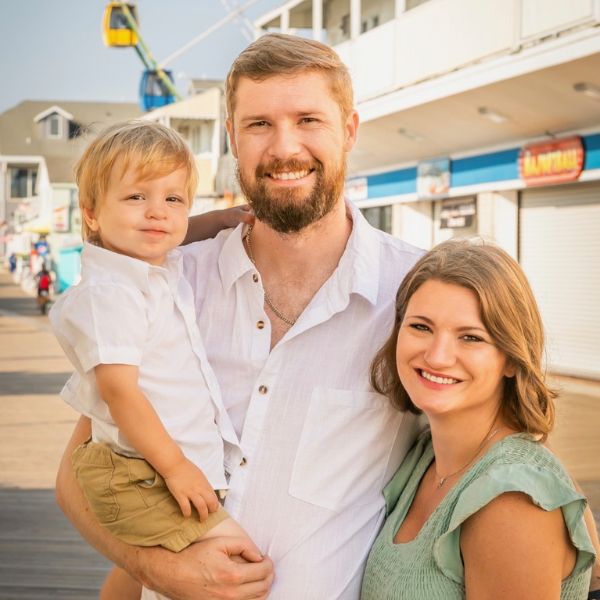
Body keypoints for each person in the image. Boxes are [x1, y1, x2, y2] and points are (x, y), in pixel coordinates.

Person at [54, 34, 600, 600]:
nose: (284, 147)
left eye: (309, 119)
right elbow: (77, 475)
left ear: (350, 131)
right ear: (231, 139)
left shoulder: (416, 300)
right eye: (259, 124)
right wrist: (158, 570)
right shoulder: (166, 283)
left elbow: (508, 444)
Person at [49, 121, 262, 598]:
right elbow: (119, 392)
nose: (156, 214)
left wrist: (224, 218)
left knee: (159, 575)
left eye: (173, 199)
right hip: (141, 471)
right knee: (240, 566)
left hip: (153, 467)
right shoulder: (111, 293)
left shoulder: (154, 266)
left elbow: (180, 235)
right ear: (91, 213)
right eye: (135, 198)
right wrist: (176, 467)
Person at [362, 239, 596, 599]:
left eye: (471, 337)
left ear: (512, 359)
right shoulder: (425, 454)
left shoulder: (513, 502)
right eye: (421, 327)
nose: (438, 356)